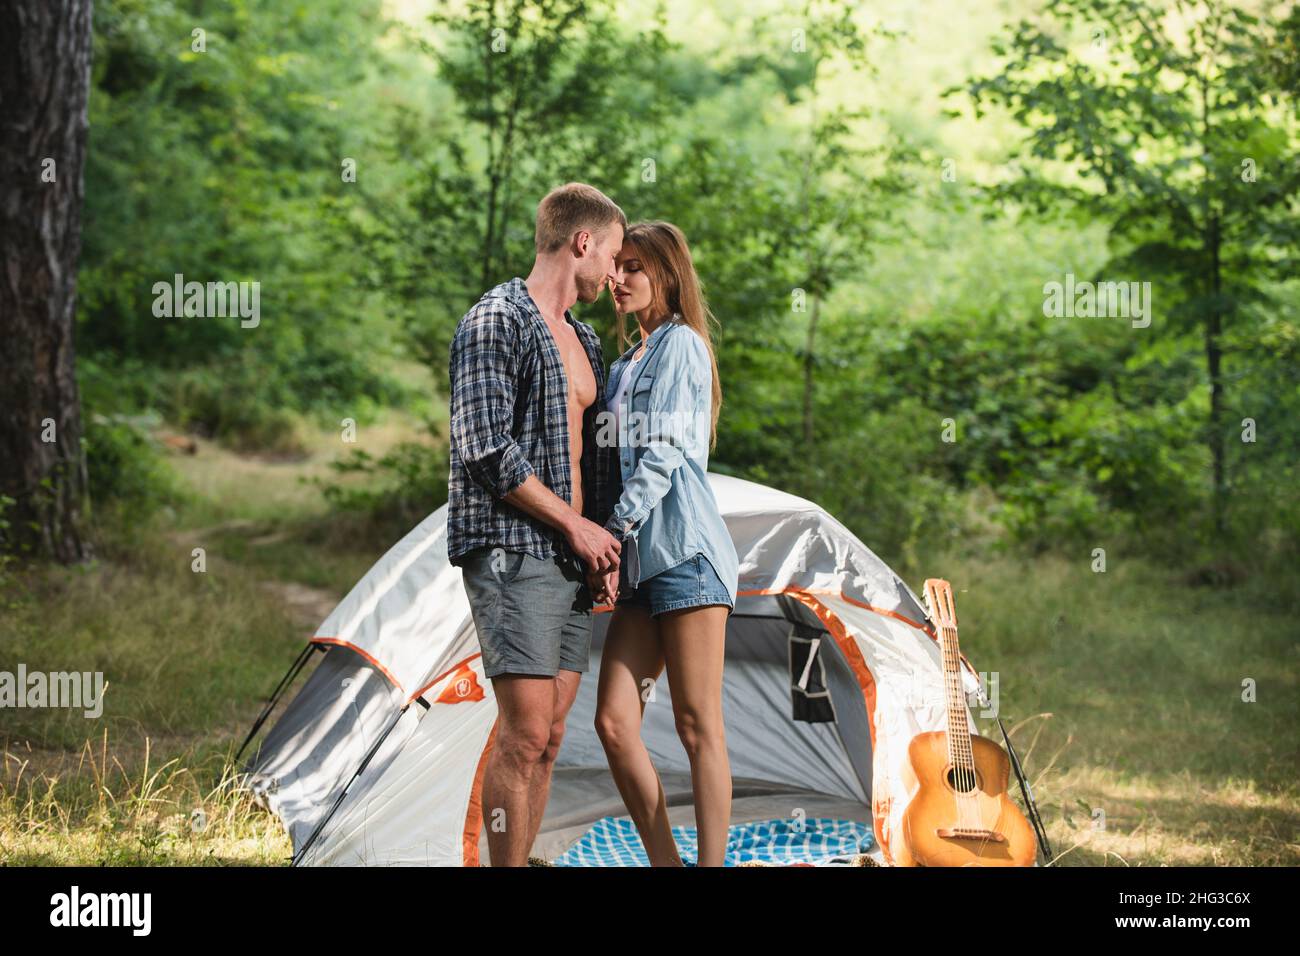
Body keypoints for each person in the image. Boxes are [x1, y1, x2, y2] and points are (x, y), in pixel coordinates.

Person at [447, 182, 626, 866]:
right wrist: (573, 527)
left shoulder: (583, 339)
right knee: (521, 736)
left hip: (574, 563)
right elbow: (484, 444)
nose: (613, 272)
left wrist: (602, 549)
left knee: (549, 737)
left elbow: (594, 458)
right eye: (610, 253)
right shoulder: (499, 318)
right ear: (582, 242)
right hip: (512, 551)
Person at [588, 221, 740, 867]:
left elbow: (666, 452)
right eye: (616, 265)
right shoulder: (623, 364)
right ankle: (665, 862)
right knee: (615, 723)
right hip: (640, 567)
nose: (617, 279)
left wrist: (613, 533)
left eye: (634, 268)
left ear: (667, 275)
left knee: (696, 725)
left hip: (685, 554)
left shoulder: (681, 346)